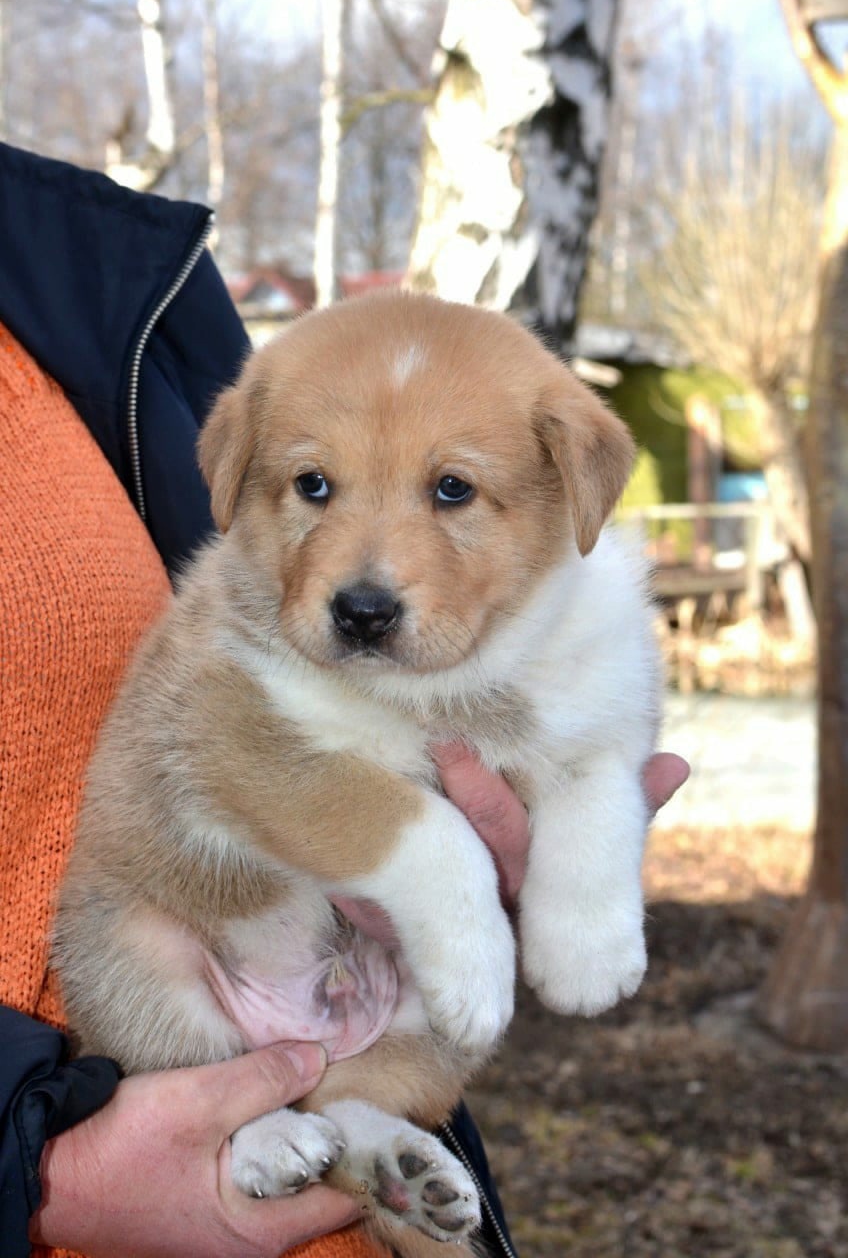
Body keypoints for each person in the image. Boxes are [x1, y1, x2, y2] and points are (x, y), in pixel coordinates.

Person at [0, 141, 688, 1258]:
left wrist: (571, 857)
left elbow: (594, 765)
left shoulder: (113, 271)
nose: (365, 575)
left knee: (444, 1005)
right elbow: (255, 754)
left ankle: (363, 1127)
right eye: (313, 484)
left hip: (373, 1011)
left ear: (574, 482)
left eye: (453, 490)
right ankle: (269, 1121)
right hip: (183, 944)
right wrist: (34, 1165)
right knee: (134, 940)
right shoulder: (267, 606)